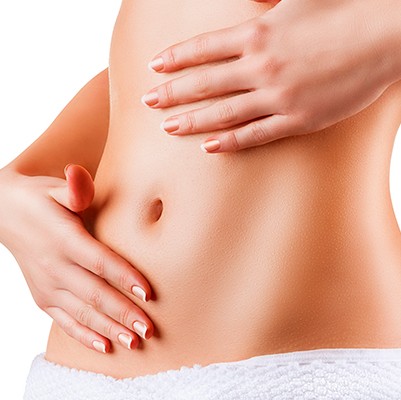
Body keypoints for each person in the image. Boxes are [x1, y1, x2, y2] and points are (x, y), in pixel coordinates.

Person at [1, 0, 401, 398]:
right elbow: (174, 57)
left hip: (297, 371)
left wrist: (379, 33)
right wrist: (11, 193)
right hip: (79, 371)